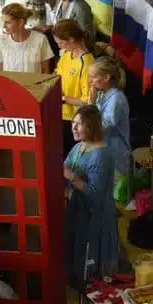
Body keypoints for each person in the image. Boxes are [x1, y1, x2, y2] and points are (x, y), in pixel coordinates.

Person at [64, 105, 120, 282]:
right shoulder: (80, 146)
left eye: (79, 124)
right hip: (78, 212)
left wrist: (71, 177)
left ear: (91, 127)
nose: (73, 127)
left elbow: (94, 193)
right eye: (73, 122)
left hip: (95, 219)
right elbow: (65, 165)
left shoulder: (101, 156)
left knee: (91, 265)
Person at [89, 56, 131, 201]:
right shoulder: (104, 94)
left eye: (94, 77)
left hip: (116, 154)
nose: (91, 81)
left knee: (116, 196)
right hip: (106, 151)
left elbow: (100, 125)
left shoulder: (116, 99)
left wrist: (92, 104)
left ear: (106, 77)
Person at [0, 2, 52, 73]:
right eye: (4, 22)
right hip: (9, 84)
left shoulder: (40, 39)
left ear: (20, 22)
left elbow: (45, 72)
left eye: (8, 22)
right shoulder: (1, 41)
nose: (4, 26)